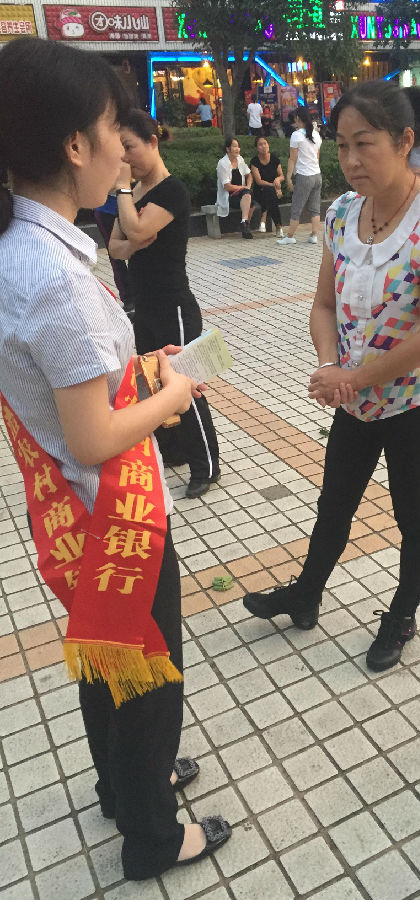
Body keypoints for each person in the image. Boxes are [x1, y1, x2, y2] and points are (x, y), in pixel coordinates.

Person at [0, 37, 231, 881]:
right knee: (148, 674)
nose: (123, 150)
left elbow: (74, 386)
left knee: (108, 662)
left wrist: (140, 370)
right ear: (74, 144)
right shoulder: (55, 278)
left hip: (74, 508)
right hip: (113, 513)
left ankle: (122, 788)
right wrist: (175, 392)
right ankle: (153, 836)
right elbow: (96, 435)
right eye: (111, 128)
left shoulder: (28, 248)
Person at [243, 81, 420, 670]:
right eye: (341, 144)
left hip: (413, 406)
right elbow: (324, 305)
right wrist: (331, 367)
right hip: (354, 401)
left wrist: (355, 376)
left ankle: (401, 616)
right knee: (334, 505)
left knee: (414, 517)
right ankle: (306, 595)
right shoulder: (343, 212)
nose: (349, 160)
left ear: (404, 141)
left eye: (364, 143)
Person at [109, 110, 221, 499]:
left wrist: (125, 201)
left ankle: (206, 465)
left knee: (186, 383)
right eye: (119, 150)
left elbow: (135, 229)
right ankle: (174, 451)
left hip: (174, 304)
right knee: (152, 382)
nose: (124, 159)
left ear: (153, 142)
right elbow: (115, 245)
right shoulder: (135, 193)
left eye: (129, 147)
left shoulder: (171, 190)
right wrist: (134, 236)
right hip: (144, 305)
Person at [277, 105, 322, 246]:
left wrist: (289, 177)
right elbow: (317, 157)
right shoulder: (316, 134)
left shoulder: (296, 135)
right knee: (315, 208)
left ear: (297, 118)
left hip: (304, 175)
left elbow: (292, 159)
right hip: (317, 175)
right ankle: (314, 235)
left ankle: (290, 236)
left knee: (296, 207)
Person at [94, 191, 133, 315]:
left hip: (129, 207)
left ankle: (140, 292)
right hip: (107, 209)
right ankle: (128, 299)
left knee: (137, 252)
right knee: (115, 257)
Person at [216, 136, 257, 239]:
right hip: (229, 197)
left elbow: (249, 175)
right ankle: (245, 226)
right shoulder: (222, 163)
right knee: (249, 199)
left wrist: (247, 186)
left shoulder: (240, 159)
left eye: (238, 146)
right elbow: (227, 187)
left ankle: (244, 224)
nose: (237, 149)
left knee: (250, 200)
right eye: (234, 146)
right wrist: (242, 188)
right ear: (228, 149)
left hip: (242, 194)